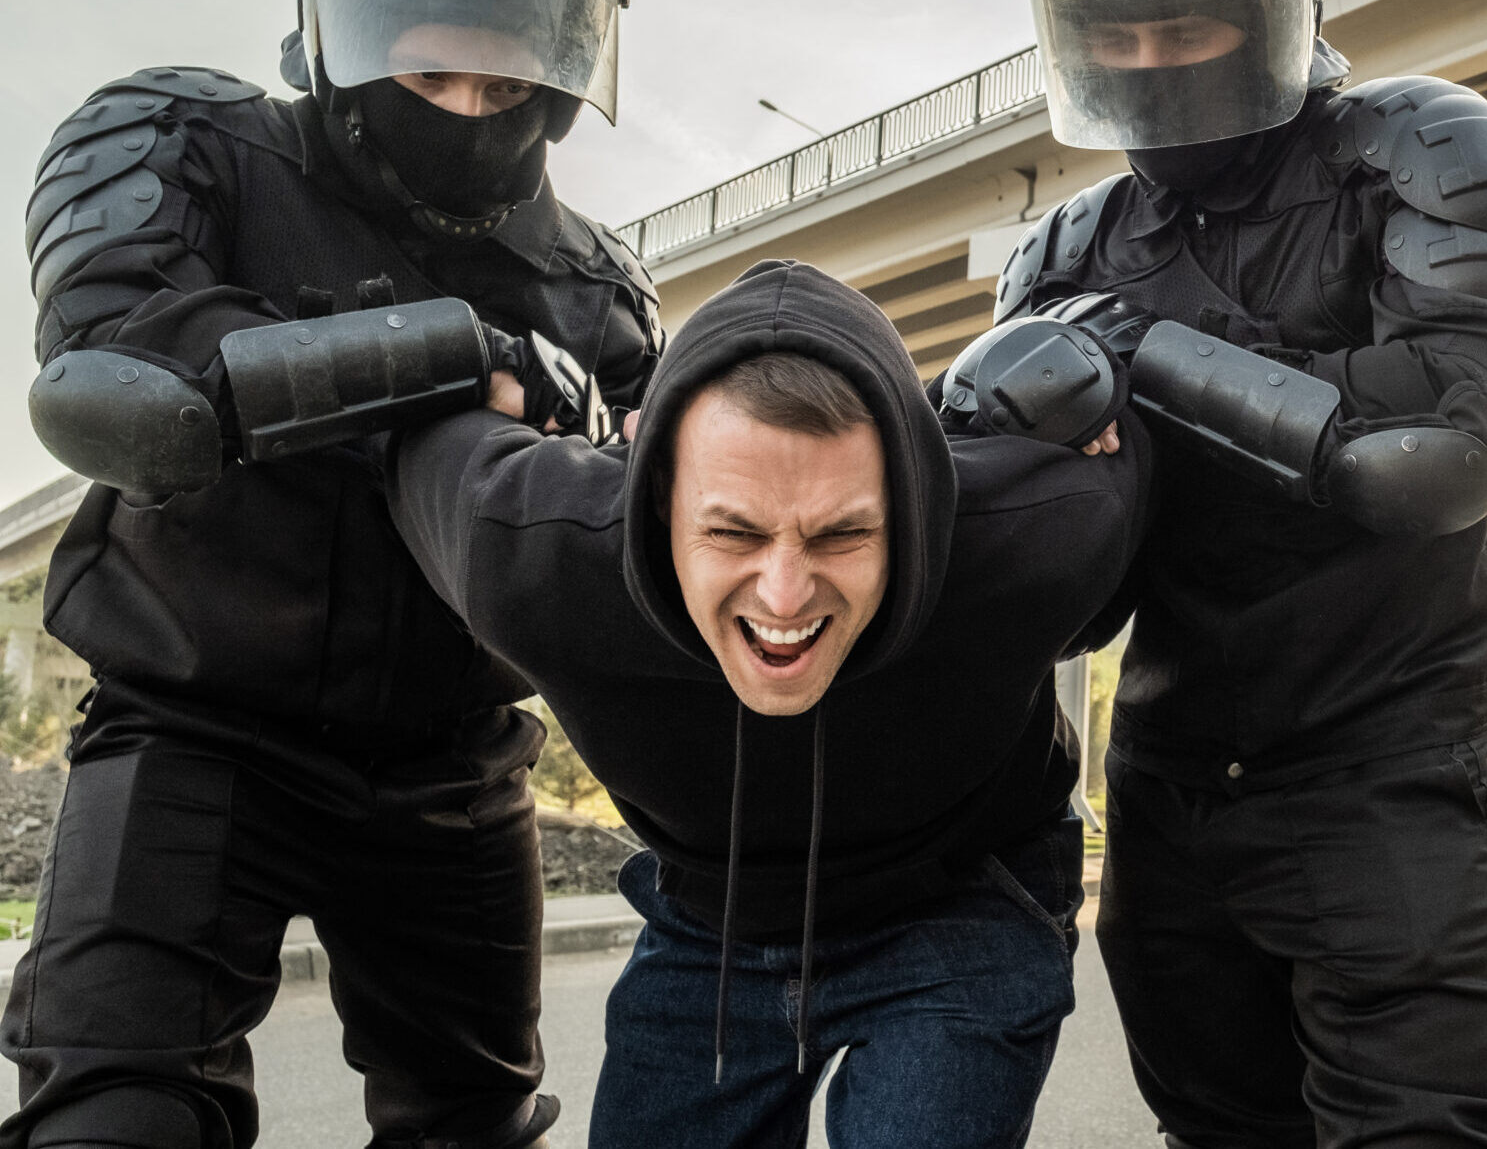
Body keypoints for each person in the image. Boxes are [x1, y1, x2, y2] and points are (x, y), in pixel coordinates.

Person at [6, 0, 658, 1149]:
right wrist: (453, 360)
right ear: (343, 18)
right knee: (109, 1115)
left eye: (505, 77)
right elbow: (127, 375)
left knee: (474, 1125)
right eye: (434, 72)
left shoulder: (598, 285)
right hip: (196, 723)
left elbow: (637, 537)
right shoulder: (183, 142)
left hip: (450, 764)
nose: (473, 107)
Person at [997, 0, 1487, 1145]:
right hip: (1173, 786)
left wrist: (1145, 353)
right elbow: (1057, 591)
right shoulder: (1064, 248)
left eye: (1186, 30)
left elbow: (1437, 458)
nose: (1152, 70)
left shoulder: (1427, 152)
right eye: (1117, 42)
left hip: (1387, 771)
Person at [366, 259, 1144, 1146]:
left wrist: (1083, 381)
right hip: (715, 919)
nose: (783, 599)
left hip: (962, 891)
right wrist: (490, 362)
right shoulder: (531, 555)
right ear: (651, 502)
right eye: (733, 532)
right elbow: (411, 430)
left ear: (917, 504)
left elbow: (1137, 415)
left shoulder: (1035, 530)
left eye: (842, 533)